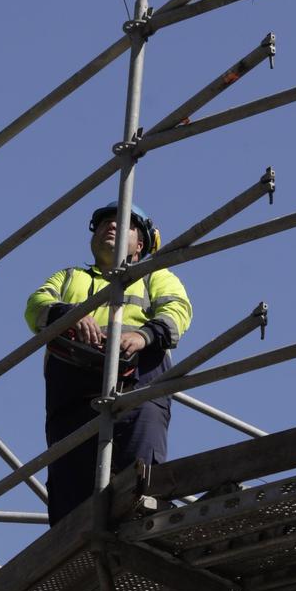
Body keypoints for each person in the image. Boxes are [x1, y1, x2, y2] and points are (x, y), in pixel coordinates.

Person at [25, 203, 192, 525]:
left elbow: (177, 311)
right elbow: (36, 305)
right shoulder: (69, 277)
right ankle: (72, 540)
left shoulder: (154, 276)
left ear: (140, 244)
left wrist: (146, 336)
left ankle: (142, 526)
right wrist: (68, 315)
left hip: (139, 373)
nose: (111, 227)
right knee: (70, 471)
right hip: (73, 382)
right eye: (104, 223)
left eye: (124, 225)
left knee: (139, 467)